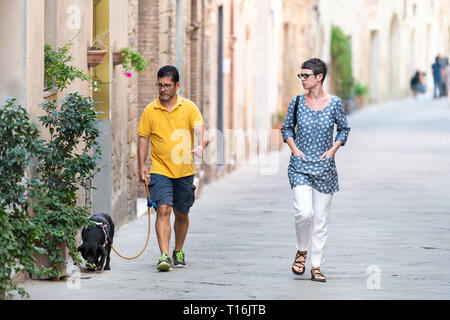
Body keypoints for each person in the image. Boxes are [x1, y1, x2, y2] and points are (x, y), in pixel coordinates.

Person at [281, 58, 350, 282]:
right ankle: (302, 250)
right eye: (300, 76)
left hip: (325, 167)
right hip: (300, 165)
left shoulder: (335, 103)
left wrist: (333, 150)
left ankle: (316, 265)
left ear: (319, 77)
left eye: (306, 76)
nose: (302, 79)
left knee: (320, 220)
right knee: (304, 212)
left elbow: (344, 129)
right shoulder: (297, 103)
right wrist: (294, 149)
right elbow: (286, 128)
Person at [137, 65, 206, 271]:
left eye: (167, 85)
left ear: (177, 85)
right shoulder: (150, 110)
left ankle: (179, 250)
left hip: (184, 171)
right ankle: (164, 256)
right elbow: (143, 139)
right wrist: (141, 166)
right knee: (164, 209)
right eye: (159, 85)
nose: (162, 89)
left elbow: (202, 131)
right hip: (160, 168)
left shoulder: (189, 107)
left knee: (182, 213)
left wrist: (202, 144)